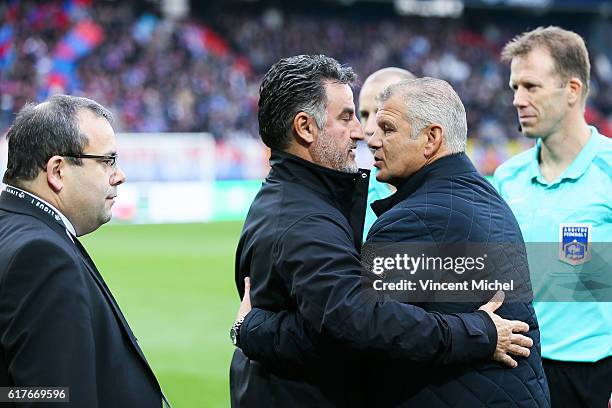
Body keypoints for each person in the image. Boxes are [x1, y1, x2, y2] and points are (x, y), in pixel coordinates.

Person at [230, 54, 535, 407]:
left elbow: (356, 327)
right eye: (349, 117)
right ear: (305, 128)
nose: (364, 134)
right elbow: (356, 326)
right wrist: (478, 332)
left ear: (431, 138)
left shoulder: (290, 202)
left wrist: (251, 329)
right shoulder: (307, 220)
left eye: (385, 126)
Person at [0, 95, 169, 407]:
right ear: (58, 171)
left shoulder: (13, 226)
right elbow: (54, 398)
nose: (119, 175)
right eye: (107, 161)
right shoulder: (41, 256)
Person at [494, 26, 612, 408]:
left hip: (595, 373)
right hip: (521, 368)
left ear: (572, 90)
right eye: (515, 87)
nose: (517, 99)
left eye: (531, 87)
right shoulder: (506, 178)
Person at [358, 67, 416, 239]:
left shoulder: (453, 195)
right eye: (364, 115)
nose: (368, 129)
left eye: (380, 113)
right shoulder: (351, 197)